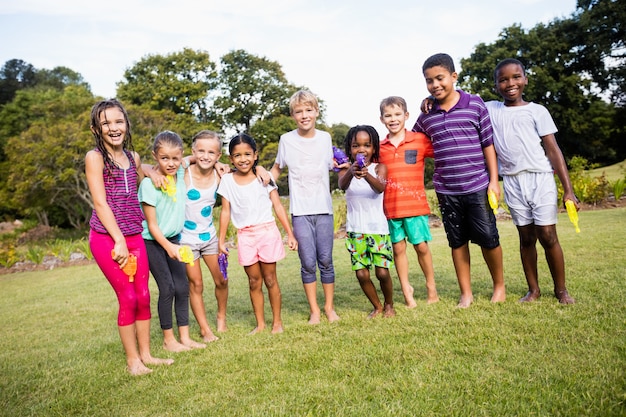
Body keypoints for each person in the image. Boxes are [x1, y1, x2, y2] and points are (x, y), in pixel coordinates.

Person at [85, 99, 173, 375]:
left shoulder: (133, 158)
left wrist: (148, 169)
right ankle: (132, 361)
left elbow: (144, 170)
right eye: (106, 122)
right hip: (107, 238)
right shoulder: (95, 158)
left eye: (118, 121)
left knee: (144, 295)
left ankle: (146, 355)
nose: (113, 127)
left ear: (126, 124)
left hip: (135, 234)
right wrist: (119, 241)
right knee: (128, 298)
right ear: (95, 129)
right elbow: (100, 203)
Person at [412, 53, 506, 308]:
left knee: (488, 238)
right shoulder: (426, 116)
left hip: (477, 185)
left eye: (439, 78)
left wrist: (494, 181)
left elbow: (488, 144)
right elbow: (413, 144)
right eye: (429, 81)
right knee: (457, 241)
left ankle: (499, 286)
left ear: (454, 76)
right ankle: (466, 293)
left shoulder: (475, 105)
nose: (435, 85)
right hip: (446, 189)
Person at [487, 58, 576, 304]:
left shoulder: (537, 110)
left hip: (541, 179)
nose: (510, 83)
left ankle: (561, 291)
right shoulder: (491, 109)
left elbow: (553, 150)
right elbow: (460, 101)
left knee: (547, 235)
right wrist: (431, 101)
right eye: (503, 79)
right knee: (526, 238)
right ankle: (533, 290)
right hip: (513, 182)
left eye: (516, 77)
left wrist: (568, 190)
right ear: (496, 85)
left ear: (525, 79)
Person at [270, 90, 341, 324]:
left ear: (316, 112)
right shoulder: (286, 140)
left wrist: (342, 165)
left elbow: (329, 165)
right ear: (293, 115)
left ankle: (329, 308)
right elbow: (277, 168)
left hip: (324, 209)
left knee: (326, 260)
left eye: (308, 110)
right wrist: (260, 177)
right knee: (308, 262)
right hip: (300, 212)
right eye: (299, 111)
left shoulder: (325, 138)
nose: (304, 115)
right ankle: (315, 311)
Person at [218, 133, 298, 334]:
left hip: (267, 233)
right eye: (237, 155)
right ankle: (260, 324)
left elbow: (278, 206)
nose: (242, 159)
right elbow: (225, 212)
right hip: (245, 236)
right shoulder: (227, 181)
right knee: (254, 281)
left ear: (255, 155)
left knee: (270, 279)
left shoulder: (264, 178)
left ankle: (277, 323)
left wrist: (290, 234)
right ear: (231, 159)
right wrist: (220, 241)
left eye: (247, 154)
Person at [139, 131, 206, 352]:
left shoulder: (179, 173)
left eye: (175, 158)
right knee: (167, 288)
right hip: (154, 243)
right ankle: (169, 340)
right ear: (155, 156)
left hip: (175, 240)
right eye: (164, 158)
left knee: (182, 287)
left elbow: (198, 158)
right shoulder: (149, 186)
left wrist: (220, 165)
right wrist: (169, 248)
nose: (170, 163)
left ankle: (185, 337)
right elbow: (152, 225)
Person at [378, 96, 439, 307]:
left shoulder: (419, 140)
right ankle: (407, 290)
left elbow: (441, 151)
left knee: (421, 247)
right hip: (391, 209)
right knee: (398, 249)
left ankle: (431, 287)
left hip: (415, 206)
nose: (393, 119)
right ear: (382, 119)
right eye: (388, 115)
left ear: (406, 116)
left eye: (397, 115)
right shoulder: (380, 148)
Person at [338, 125, 396, 318]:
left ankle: (389, 305)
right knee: (362, 274)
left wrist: (366, 174)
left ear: (374, 148)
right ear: (350, 148)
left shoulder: (380, 168)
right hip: (356, 230)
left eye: (367, 145)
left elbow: (380, 188)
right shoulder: (346, 170)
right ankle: (377, 306)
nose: (361, 149)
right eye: (356, 145)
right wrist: (351, 171)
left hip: (377, 230)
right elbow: (342, 185)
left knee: (382, 272)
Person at [180, 130, 227, 342]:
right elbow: (168, 162)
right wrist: (188, 159)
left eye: (211, 152)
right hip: (186, 241)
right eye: (200, 151)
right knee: (196, 284)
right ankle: (204, 329)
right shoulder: (184, 171)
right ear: (193, 152)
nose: (205, 156)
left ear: (218, 155)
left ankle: (221, 318)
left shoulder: (220, 175)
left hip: (210, 239)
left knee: (222, 280)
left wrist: (219, 164)